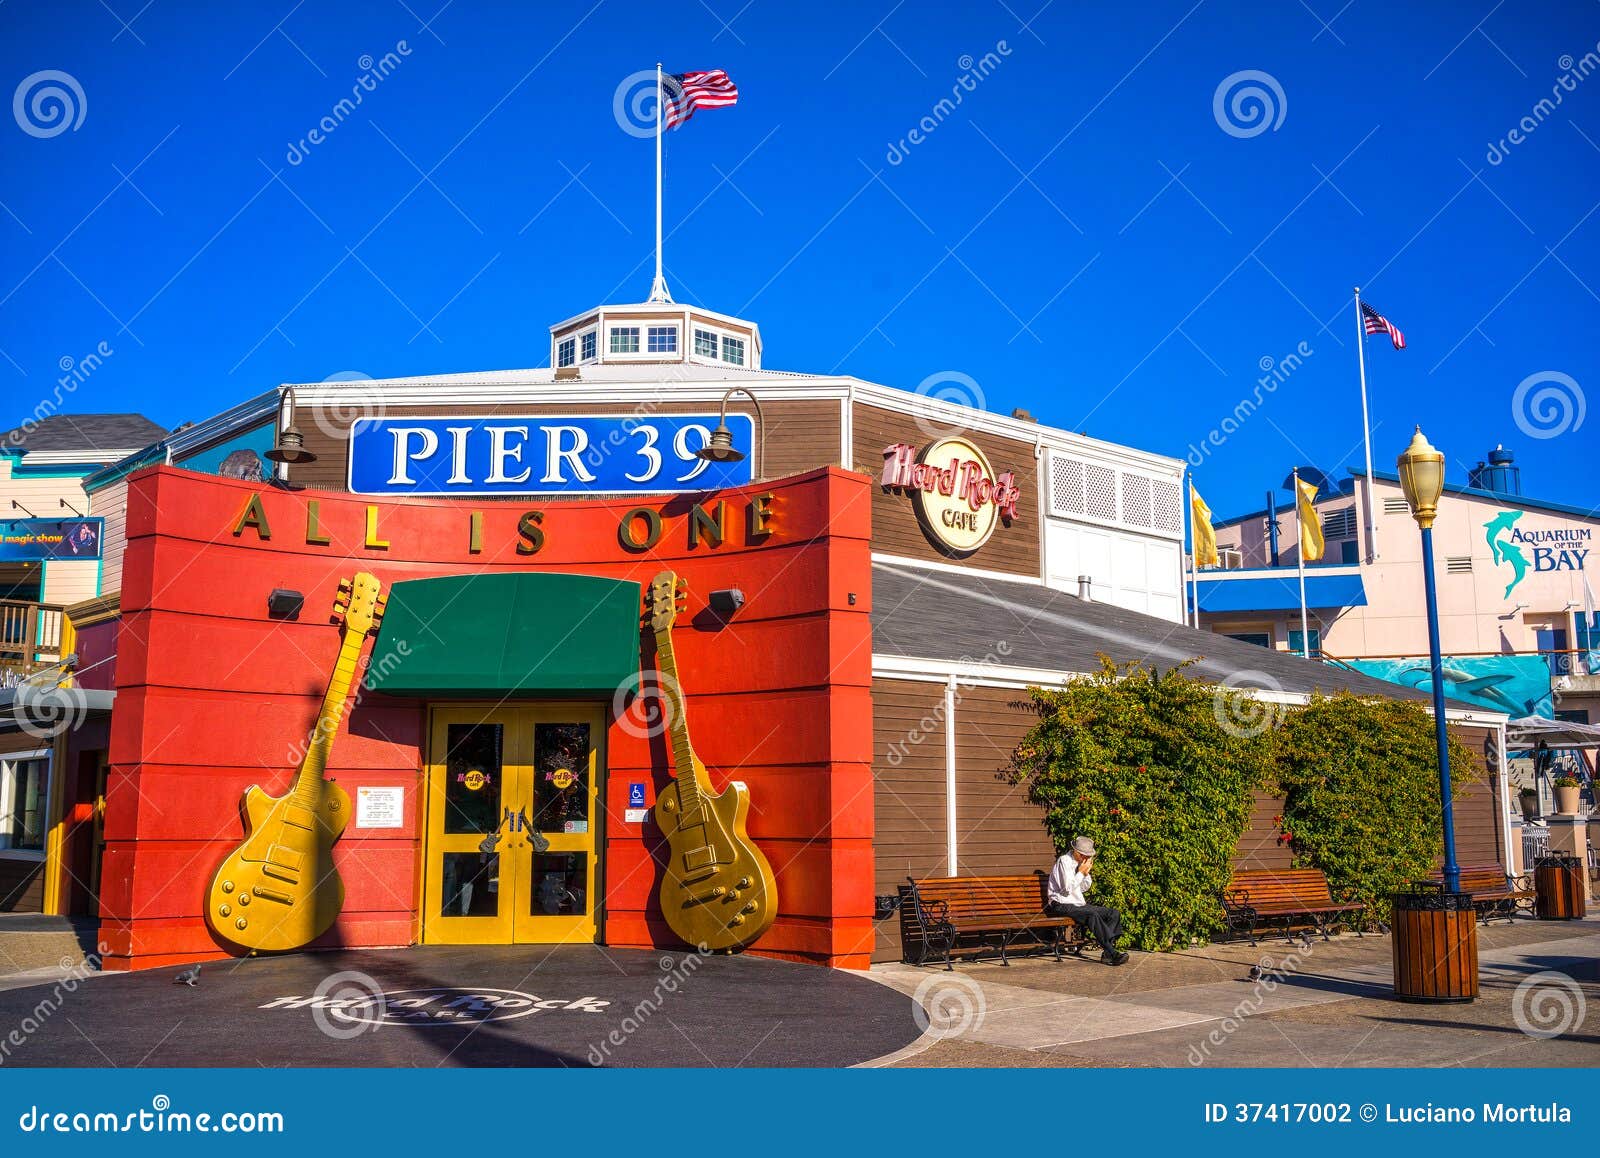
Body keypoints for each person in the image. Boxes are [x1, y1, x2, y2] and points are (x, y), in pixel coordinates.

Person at [1046, 836, 1129, 965]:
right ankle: (1112, 953)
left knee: (1113, 913)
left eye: (1089, 856)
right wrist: (1080, 873)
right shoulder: (1064, 861)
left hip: (1078, 904)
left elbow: (1084, 888)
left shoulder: (1080, 864)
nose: (1087, 859)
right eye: (1086, 856)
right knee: (1092, 915)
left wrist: (1085, 873)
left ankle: (1107, 952)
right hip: (1061, 904)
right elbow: (1066, 889)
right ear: (1077, 852)